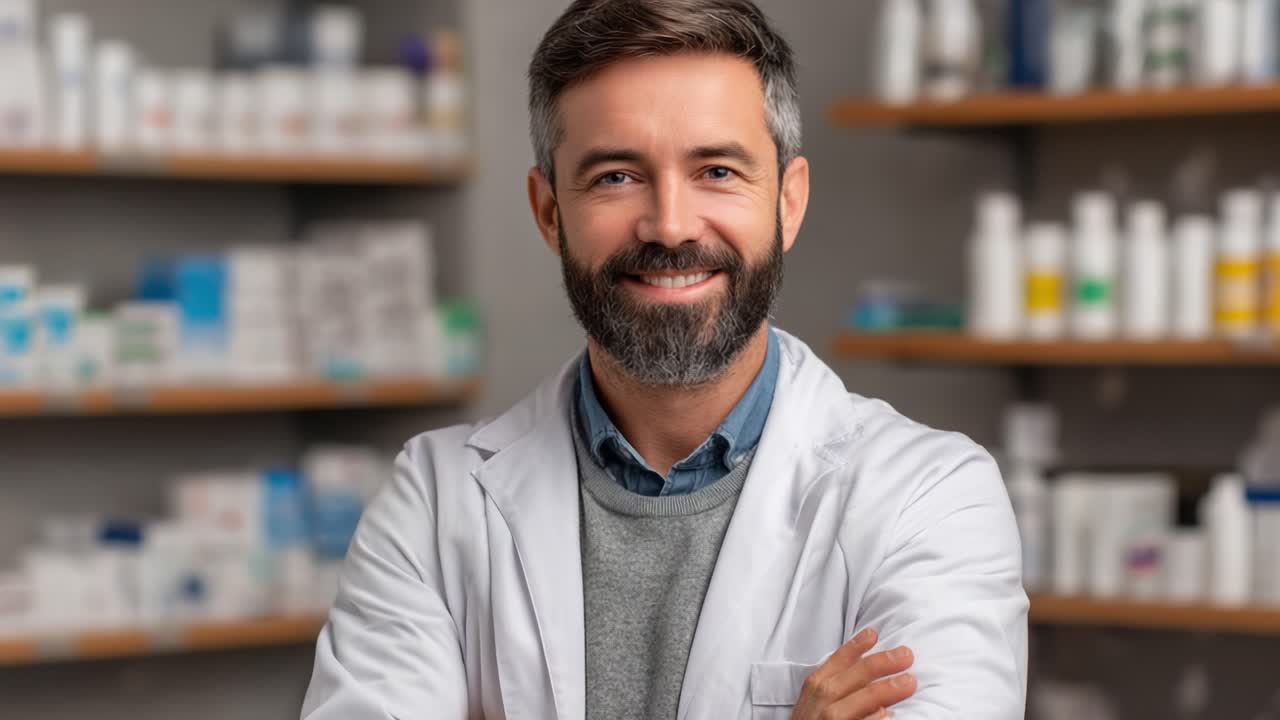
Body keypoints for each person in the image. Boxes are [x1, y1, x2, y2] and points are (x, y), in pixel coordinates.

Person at [300, 1, 1028, 718]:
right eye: (617, 175)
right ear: (551, 212)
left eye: (716, 170)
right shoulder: (434, 504)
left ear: (789, 202)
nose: (671, 225)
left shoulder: (929, 501)